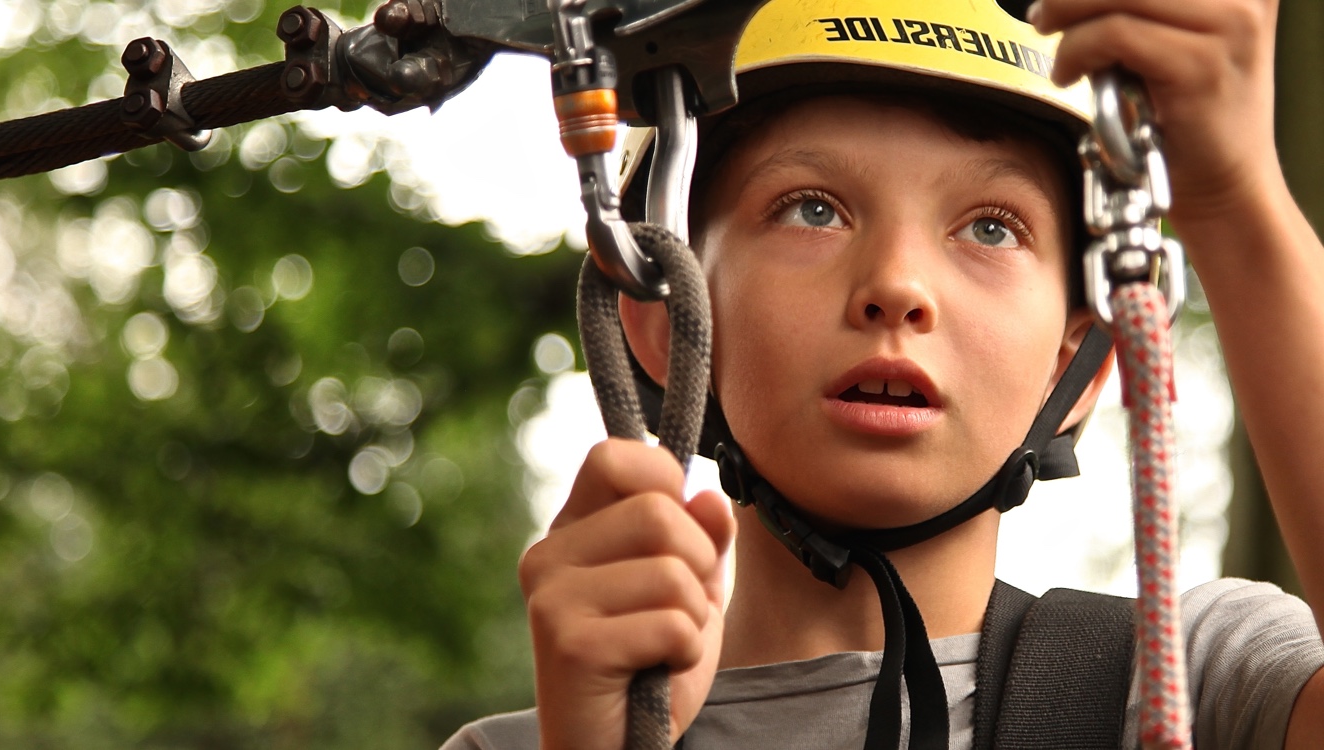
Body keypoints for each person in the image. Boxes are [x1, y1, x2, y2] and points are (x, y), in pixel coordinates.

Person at [445, 0, 1324, 747]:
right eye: (812, 210)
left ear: (1079, 363)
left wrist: (1234, 195)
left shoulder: (1204, 685)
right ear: (671, 324)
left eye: (991, 227)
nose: (896, 286)